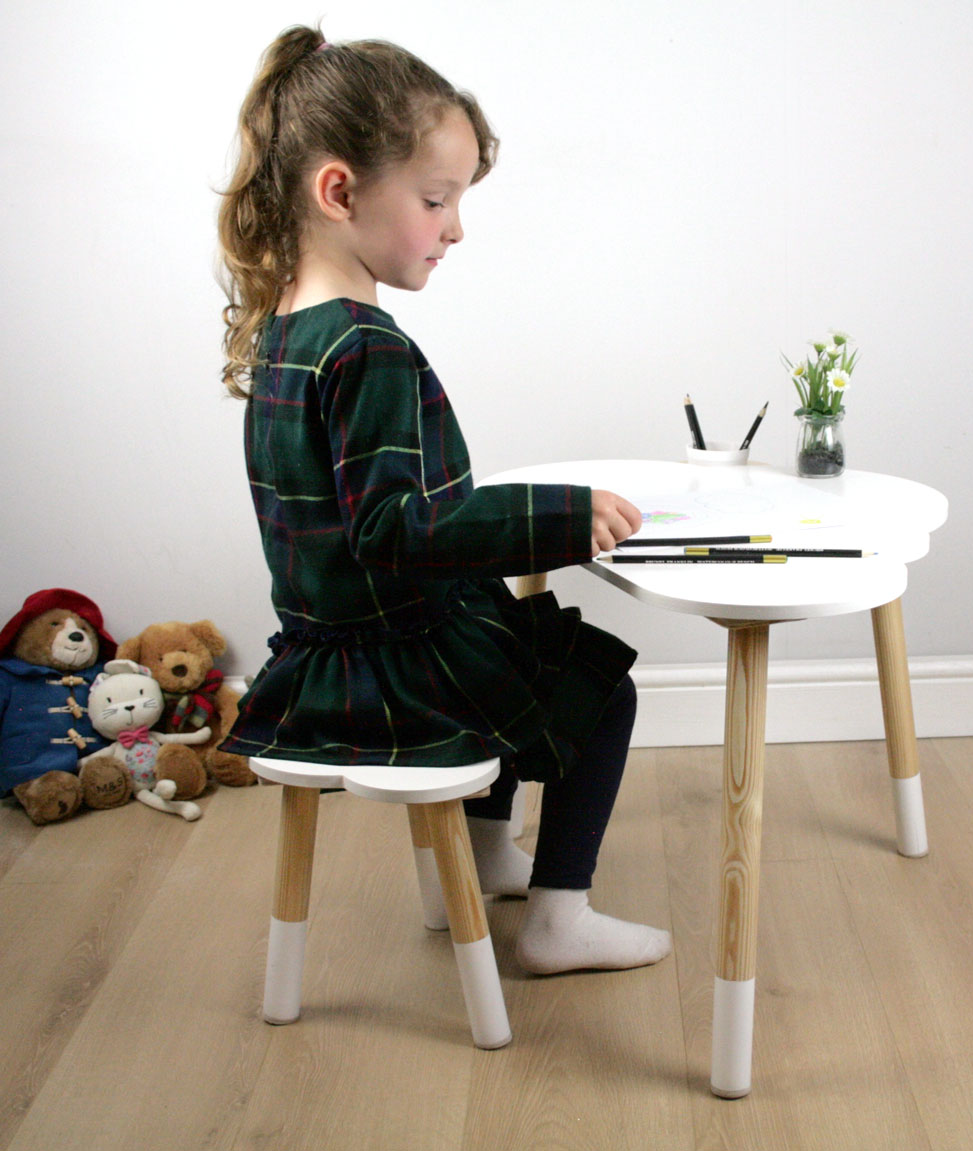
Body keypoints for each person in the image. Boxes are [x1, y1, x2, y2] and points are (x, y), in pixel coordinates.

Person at [216, 25, 671, 976]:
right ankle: (558, 917)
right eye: (435, 199)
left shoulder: (281, 337)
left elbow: (352, 523)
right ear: (338, 191)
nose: (455, 227)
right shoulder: (366, 344)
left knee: (503, 628)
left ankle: (488, 853)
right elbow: (391, 531)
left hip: (321, 652)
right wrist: (557, 512)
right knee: (597, 684)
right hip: (392, 662)